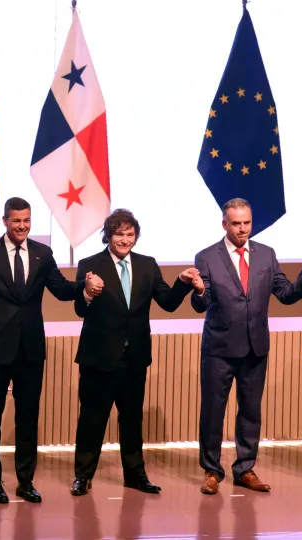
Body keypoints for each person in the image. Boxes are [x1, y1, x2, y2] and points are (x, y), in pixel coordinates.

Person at [0, 197, 98, 504]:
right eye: (17, 221)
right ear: (6, 221)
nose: (22, 226)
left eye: (27, 220)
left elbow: (61, 289)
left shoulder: (43, 253)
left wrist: (85, 286)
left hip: (30, 349)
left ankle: (25, 481)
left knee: (28, 417)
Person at [192, 198, 302, 495]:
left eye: (247, 223)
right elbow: (201, 303)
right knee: (213, 411)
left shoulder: (266, 254)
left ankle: (245, 468)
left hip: (255, 347)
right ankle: (211, 471)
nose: (242, 229)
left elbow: (285, 294)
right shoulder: (206, 257)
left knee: (250, 411)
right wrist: (199, 290)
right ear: (224, 224)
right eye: (236, 224)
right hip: (219, 349)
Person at [70, 209, 200, 496]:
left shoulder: (147, 265)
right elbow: (80, 309)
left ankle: (135, 475)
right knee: (92, 420)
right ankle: (83, 475)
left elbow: (167, 302)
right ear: (108, 235)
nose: (125, 240)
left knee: (132, 421)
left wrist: (182, 282)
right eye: (119, 234)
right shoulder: (90, 265)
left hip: (134, 359)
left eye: (130, 234)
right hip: (98, 358)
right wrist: (88, 292)